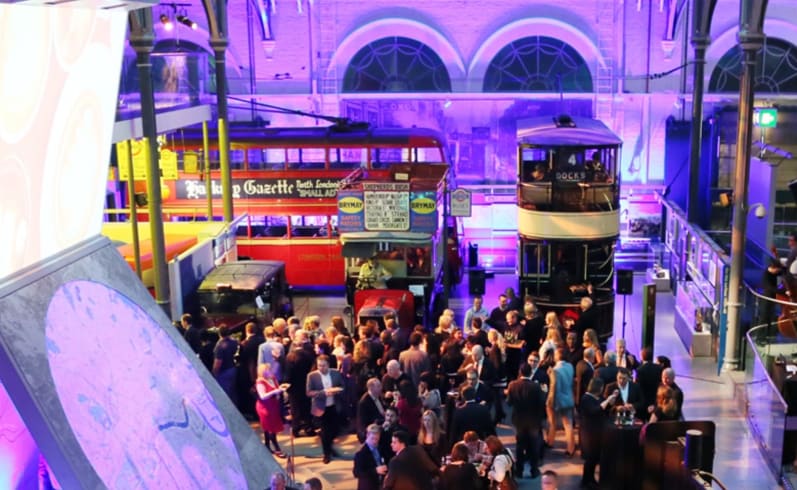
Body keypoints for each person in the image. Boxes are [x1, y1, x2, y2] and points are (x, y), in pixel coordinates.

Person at [506, 363, 545, 479]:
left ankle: (519, 471)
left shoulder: (513, 385)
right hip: (533, 421)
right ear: (531, 372)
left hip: (519, 421)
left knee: (519, 446)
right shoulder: (536, 387)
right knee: (534, 446)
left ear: (520, 372)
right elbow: (541, 403)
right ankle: (534, 470)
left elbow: (509, 403)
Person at [306, 355, 345, 464]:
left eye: (323, 366)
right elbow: (309, 392)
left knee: (334, 430)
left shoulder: (335, 373)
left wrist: (337, 390)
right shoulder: (312, 376)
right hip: (320, 407)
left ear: (328, 365)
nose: (321, 368)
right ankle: (326, 453)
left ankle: (329, 446)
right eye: (319, 365)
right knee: (324, 432)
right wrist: (322, 393)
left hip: (333, 406)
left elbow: (342, 386)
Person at [579, 377, 613, 489]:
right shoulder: (586, 398)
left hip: (597, 432)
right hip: (588, 433)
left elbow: (604, 409)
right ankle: (586, 480)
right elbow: (594, 411)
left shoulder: (598, 397)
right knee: (590, 458)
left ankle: (591, 479)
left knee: (594, 458)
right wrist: (607, 401)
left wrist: (609, 402)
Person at [546, 348, 575, 456]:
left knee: (552, 422)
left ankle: (550, 441)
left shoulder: (554, 370)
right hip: (568, 398)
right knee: (568, 425)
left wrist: (551, 402)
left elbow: (554, 388)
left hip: (557, 399)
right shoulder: (570, 367)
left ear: (557, 356)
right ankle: (571, 448)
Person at [255, 362, 286, 458]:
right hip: (265, 407)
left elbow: (277, 389)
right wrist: (275, 391)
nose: (270, 371)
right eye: (267, 370)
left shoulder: (273, 379)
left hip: (274, 406)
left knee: (270, 426)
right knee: (270, 427)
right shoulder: (260, 382)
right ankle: (276, 448)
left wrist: (281, 390)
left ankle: (267, 445)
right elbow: (263, 396)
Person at [353, 423, 388, 490]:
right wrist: (375, 470)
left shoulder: (379, 447)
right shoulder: (361, 453)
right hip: (368, 486)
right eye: (372, 438)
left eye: (377, 439)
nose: (375, 441)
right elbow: (356, 472)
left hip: (379, 484)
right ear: (367, 435)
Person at [212, 324, 239, 403]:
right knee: (233, 392)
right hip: (233, 369)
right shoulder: (234, 342)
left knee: (224, 394)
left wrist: (214, 373)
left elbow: (218, 362)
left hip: (223, 372)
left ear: (219, 333)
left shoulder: (219, 346)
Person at [357, 377, 386, 442]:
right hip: (372, 430)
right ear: (371, 388)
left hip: (381, 424)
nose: (381, 388)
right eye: (378, 386)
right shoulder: (364, 402)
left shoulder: (377, 396)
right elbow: (363, 422)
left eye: (380, 385)